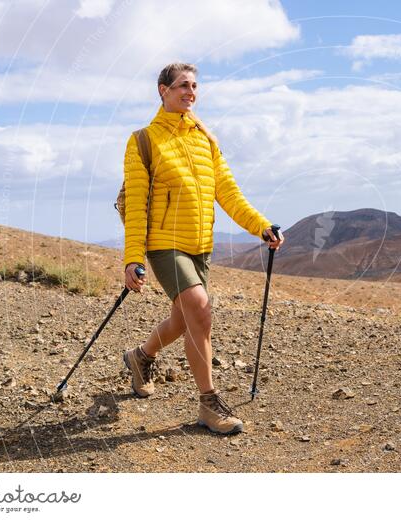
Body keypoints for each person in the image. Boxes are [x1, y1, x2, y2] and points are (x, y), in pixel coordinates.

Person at [121, 62, 284, 435]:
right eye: (182, 85)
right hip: (164, 245)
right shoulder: (144, 140)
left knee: (184, 320)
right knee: (200, 309)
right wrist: (133, 258)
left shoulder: (204, 138)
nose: (190, 92)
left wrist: (261, 226)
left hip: (200, 246)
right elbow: (136, 205)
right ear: (162, 90)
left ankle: (140, 357)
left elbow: (227, 192)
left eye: (194, 86)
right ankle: (209, 404)